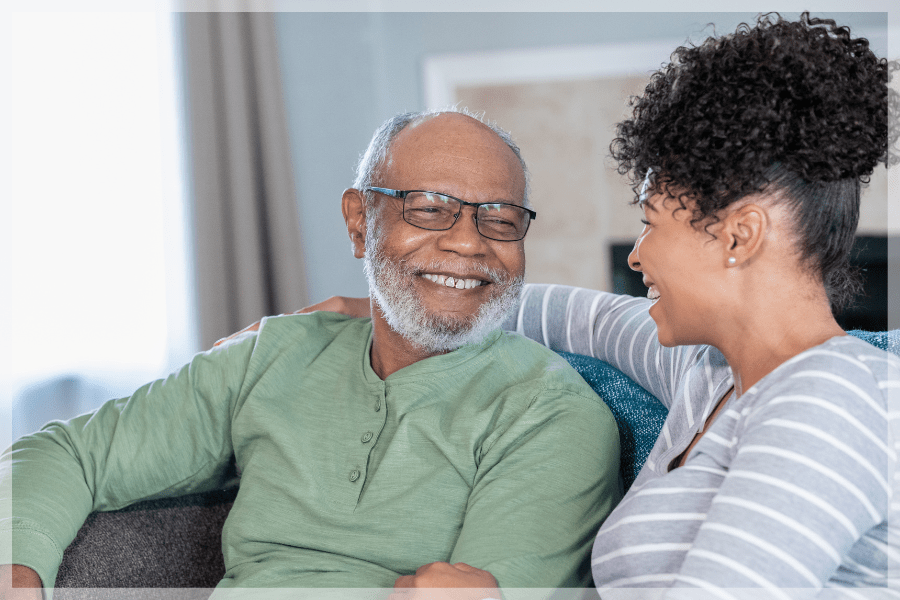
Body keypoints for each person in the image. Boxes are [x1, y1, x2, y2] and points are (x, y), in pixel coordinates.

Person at [262, 13, 899, 596]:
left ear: (739, 235)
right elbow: (574, 316)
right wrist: (405, 301)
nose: (638, 256)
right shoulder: (709, 376)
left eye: (651, 223)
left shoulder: (827, 399)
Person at [0, 109, 622, 598]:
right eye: (430, 209)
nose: (468, 242)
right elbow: (64, 454)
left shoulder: (551, 415)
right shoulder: (270, 356)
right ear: (360, 222)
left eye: (501, 219)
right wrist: (19, 569)